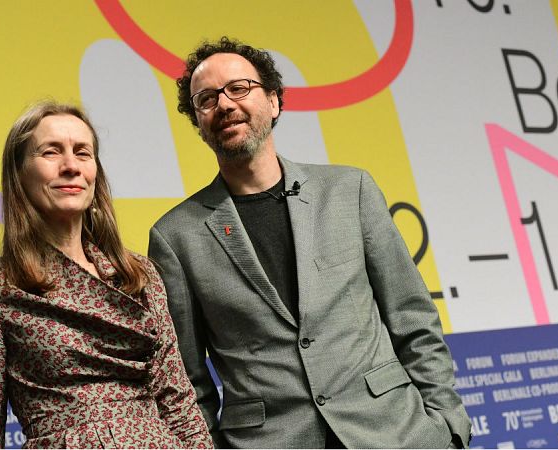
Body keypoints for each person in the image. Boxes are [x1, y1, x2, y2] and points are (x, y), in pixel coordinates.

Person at [148, 36, 471, 448]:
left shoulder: (349, 189)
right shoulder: (175, 237)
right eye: (206, 99)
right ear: (199, 123)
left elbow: (412, 318)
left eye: (239, 88)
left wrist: (448, 425)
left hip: (396, 433)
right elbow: (187, 379)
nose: (225, 104)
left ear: (274, 102)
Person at [0, 101, 214, 449]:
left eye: (82, 153)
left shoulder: (138, 275)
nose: (71, 167)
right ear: (19, 174)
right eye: (51, 152)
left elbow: (178, 402)